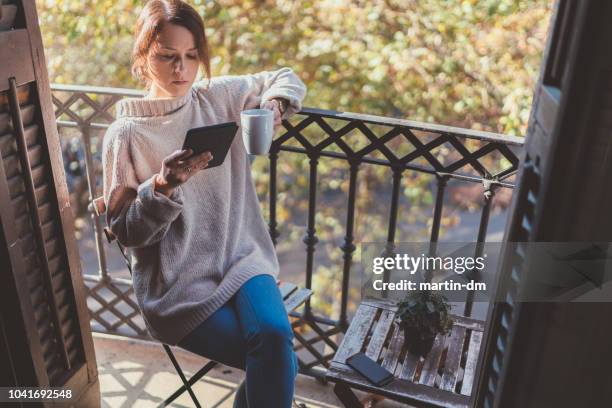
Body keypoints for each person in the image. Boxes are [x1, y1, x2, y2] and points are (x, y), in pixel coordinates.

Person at [101, 1, 307, 407]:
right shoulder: (124, 135)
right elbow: (125, 231)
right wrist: (162, 187)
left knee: (275, 341)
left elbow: (284, 75)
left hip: (242, 257)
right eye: (168, 56)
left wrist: (277, 102)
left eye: (192, 56)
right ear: (143, 57)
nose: (182, 69)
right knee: (276, 356)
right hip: (177, 287)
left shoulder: (217, 97)